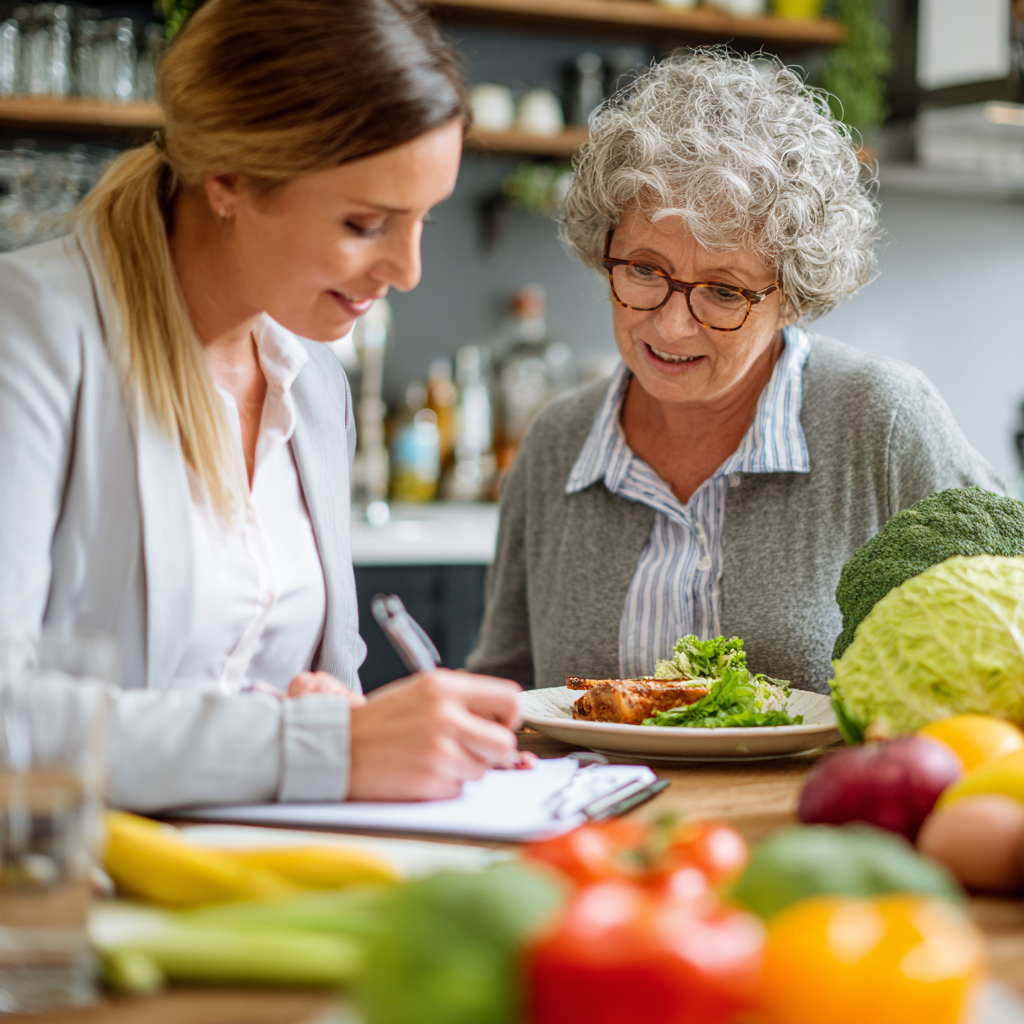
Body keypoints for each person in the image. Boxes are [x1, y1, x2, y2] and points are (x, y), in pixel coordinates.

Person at [0, 0, 522, 811]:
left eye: (422, 221)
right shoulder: (30, 330)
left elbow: (319, 697)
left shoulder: (311, 380)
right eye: (366, 223)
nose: (410, 270)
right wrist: (318, 744)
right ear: (230, 180)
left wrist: (335, 712)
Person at [466, 51, 1002, 694]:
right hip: (593, 798)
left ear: (793, 297)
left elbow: (1006, 624)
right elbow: (506, 686)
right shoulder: (558, 443)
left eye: (723, 291)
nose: (669, 326)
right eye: (643, 270)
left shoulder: (880, 420)